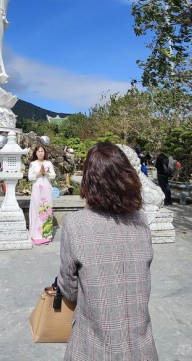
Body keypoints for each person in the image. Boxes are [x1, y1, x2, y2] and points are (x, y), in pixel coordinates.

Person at [57, 143, 158, 360]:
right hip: (140, 346)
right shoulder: (141, 221)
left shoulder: (75, 224)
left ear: (89, 180)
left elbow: (68, 289)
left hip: (93, 345)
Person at [28, 145, 55, 245]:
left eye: (42, 151)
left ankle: (46, 236)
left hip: (46, 188)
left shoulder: (48, 163)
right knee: (36, 210)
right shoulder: (32, 164)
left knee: (47, 211)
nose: (40, 153)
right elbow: (30, 177)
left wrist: (46, 173)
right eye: (39, 151)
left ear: (45, 153)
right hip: (36, 189)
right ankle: (36, 236)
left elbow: (53, 175)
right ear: (35, 153)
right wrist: (39, 173)